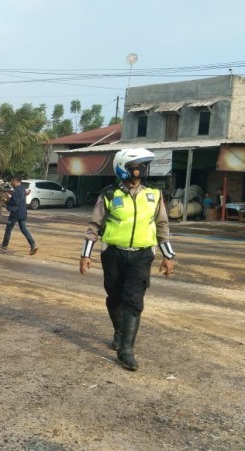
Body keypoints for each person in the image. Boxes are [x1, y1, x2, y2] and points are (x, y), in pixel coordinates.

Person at [79, 148, 175, 371]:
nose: (141, 170)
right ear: (124, 169)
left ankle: (126, 351)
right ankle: (119, 331)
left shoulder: (154, 193)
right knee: (114, 296)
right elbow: (94, 226)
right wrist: (85, 254)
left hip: (142, 255)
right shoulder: (109, 194)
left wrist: (168, 255)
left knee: (133, 300)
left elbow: (162, 226)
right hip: (113, 253)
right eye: (137, 166)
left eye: (143, 166)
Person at [0, 175, 37, 255]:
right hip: (22, 213)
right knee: (24, 230)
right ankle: (33, 245)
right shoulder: (22, 189)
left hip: (16, 213)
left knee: (8, 228)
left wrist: (7, 201)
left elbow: (16, 202)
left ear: (15, 181)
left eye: (12, 181)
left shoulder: (17, 190)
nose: (11, 183)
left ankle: (4, 245)